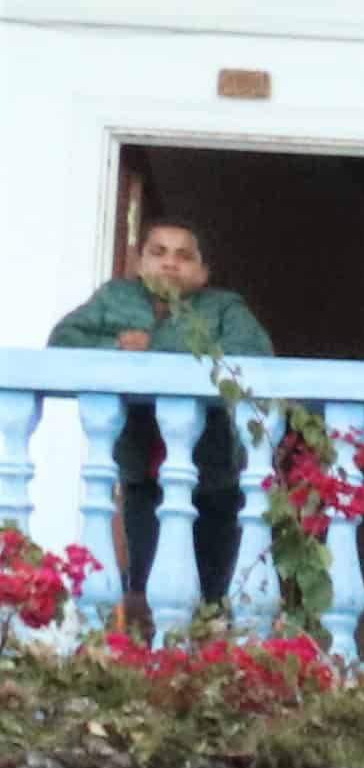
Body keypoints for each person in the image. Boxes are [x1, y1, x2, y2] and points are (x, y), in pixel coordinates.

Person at [54, 212, 270, 609]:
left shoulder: (223, 308)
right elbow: (64, 342)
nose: (170, 263)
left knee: (210, 589)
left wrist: (155, 352)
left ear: (203, 273)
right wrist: (117, 350)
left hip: (213, 475)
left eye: (184, 256)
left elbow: (252, 356)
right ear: (139, 264)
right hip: (141, 472)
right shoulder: (114, 298)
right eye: (158, 252)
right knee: (147, 581)